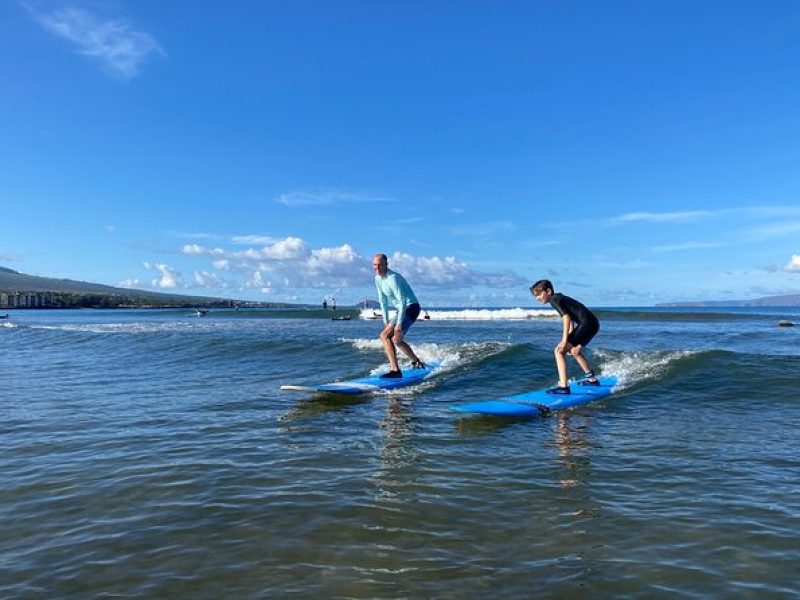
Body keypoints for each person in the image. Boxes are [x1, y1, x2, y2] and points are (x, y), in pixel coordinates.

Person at [530, 279, 600, 394]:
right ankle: (592, 380)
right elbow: (571, 317)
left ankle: (564, 387)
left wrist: (564, 341)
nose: (537, 298)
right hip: (593, 324)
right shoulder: (559, 297)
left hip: (587, 324)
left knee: (558, 351)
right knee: (574, 351)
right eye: (535, 296)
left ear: (548, 291)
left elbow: (566, 318)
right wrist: (569, 339)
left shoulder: (554, 299)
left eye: (539, 294)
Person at [372, 253, 425, 378]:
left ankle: (395, 370)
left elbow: (402, 301)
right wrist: (386, 321)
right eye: (375, 265)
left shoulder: (393, 278)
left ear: (386, 264)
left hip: (411, 307)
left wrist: (399, 324)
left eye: (380, 265)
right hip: (401, 309)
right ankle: (416, 361)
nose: (377, 268)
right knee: (395, 339)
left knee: (384, 335)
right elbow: (383, 300)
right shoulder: (377, 279)